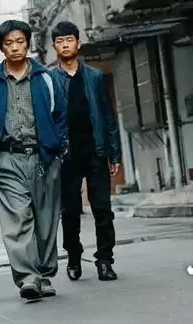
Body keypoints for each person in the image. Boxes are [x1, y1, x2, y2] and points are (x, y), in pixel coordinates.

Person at [0, 20, 68, 301]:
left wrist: (59, 150)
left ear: (28, 44)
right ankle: (28, 277)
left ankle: (45, 274)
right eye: (9, 43)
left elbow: (60, 116)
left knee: (46, 219)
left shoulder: (46, 78)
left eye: (20, 42)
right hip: (7, 159)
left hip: (44, 157)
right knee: (18, 218)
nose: (15, 47)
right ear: (1, 48)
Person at [51, 21, 122, 282]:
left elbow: (108, 116)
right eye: (60, 41)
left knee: (102, 208)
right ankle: (73, 256)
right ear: (54, 47)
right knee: (70, 212)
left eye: (69, 40)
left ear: (78, 44)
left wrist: (115, 154)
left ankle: (105, 260)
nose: (65, 45)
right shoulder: (49, 80)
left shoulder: (95, 76)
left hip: (95, 150)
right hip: (66, 155)